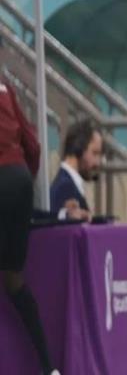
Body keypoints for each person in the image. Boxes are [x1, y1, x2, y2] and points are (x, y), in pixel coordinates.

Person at [0, 77, 60, 375]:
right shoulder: (5, 87)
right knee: (13, 279)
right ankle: (49, 368)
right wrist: (25, 179)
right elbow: (32, 144)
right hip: (20, 178)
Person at [50, 119, 103, 221]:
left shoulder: (68, 183)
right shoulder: (65, 187)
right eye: (94, 153)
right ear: (78, 149)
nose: (98, 163)